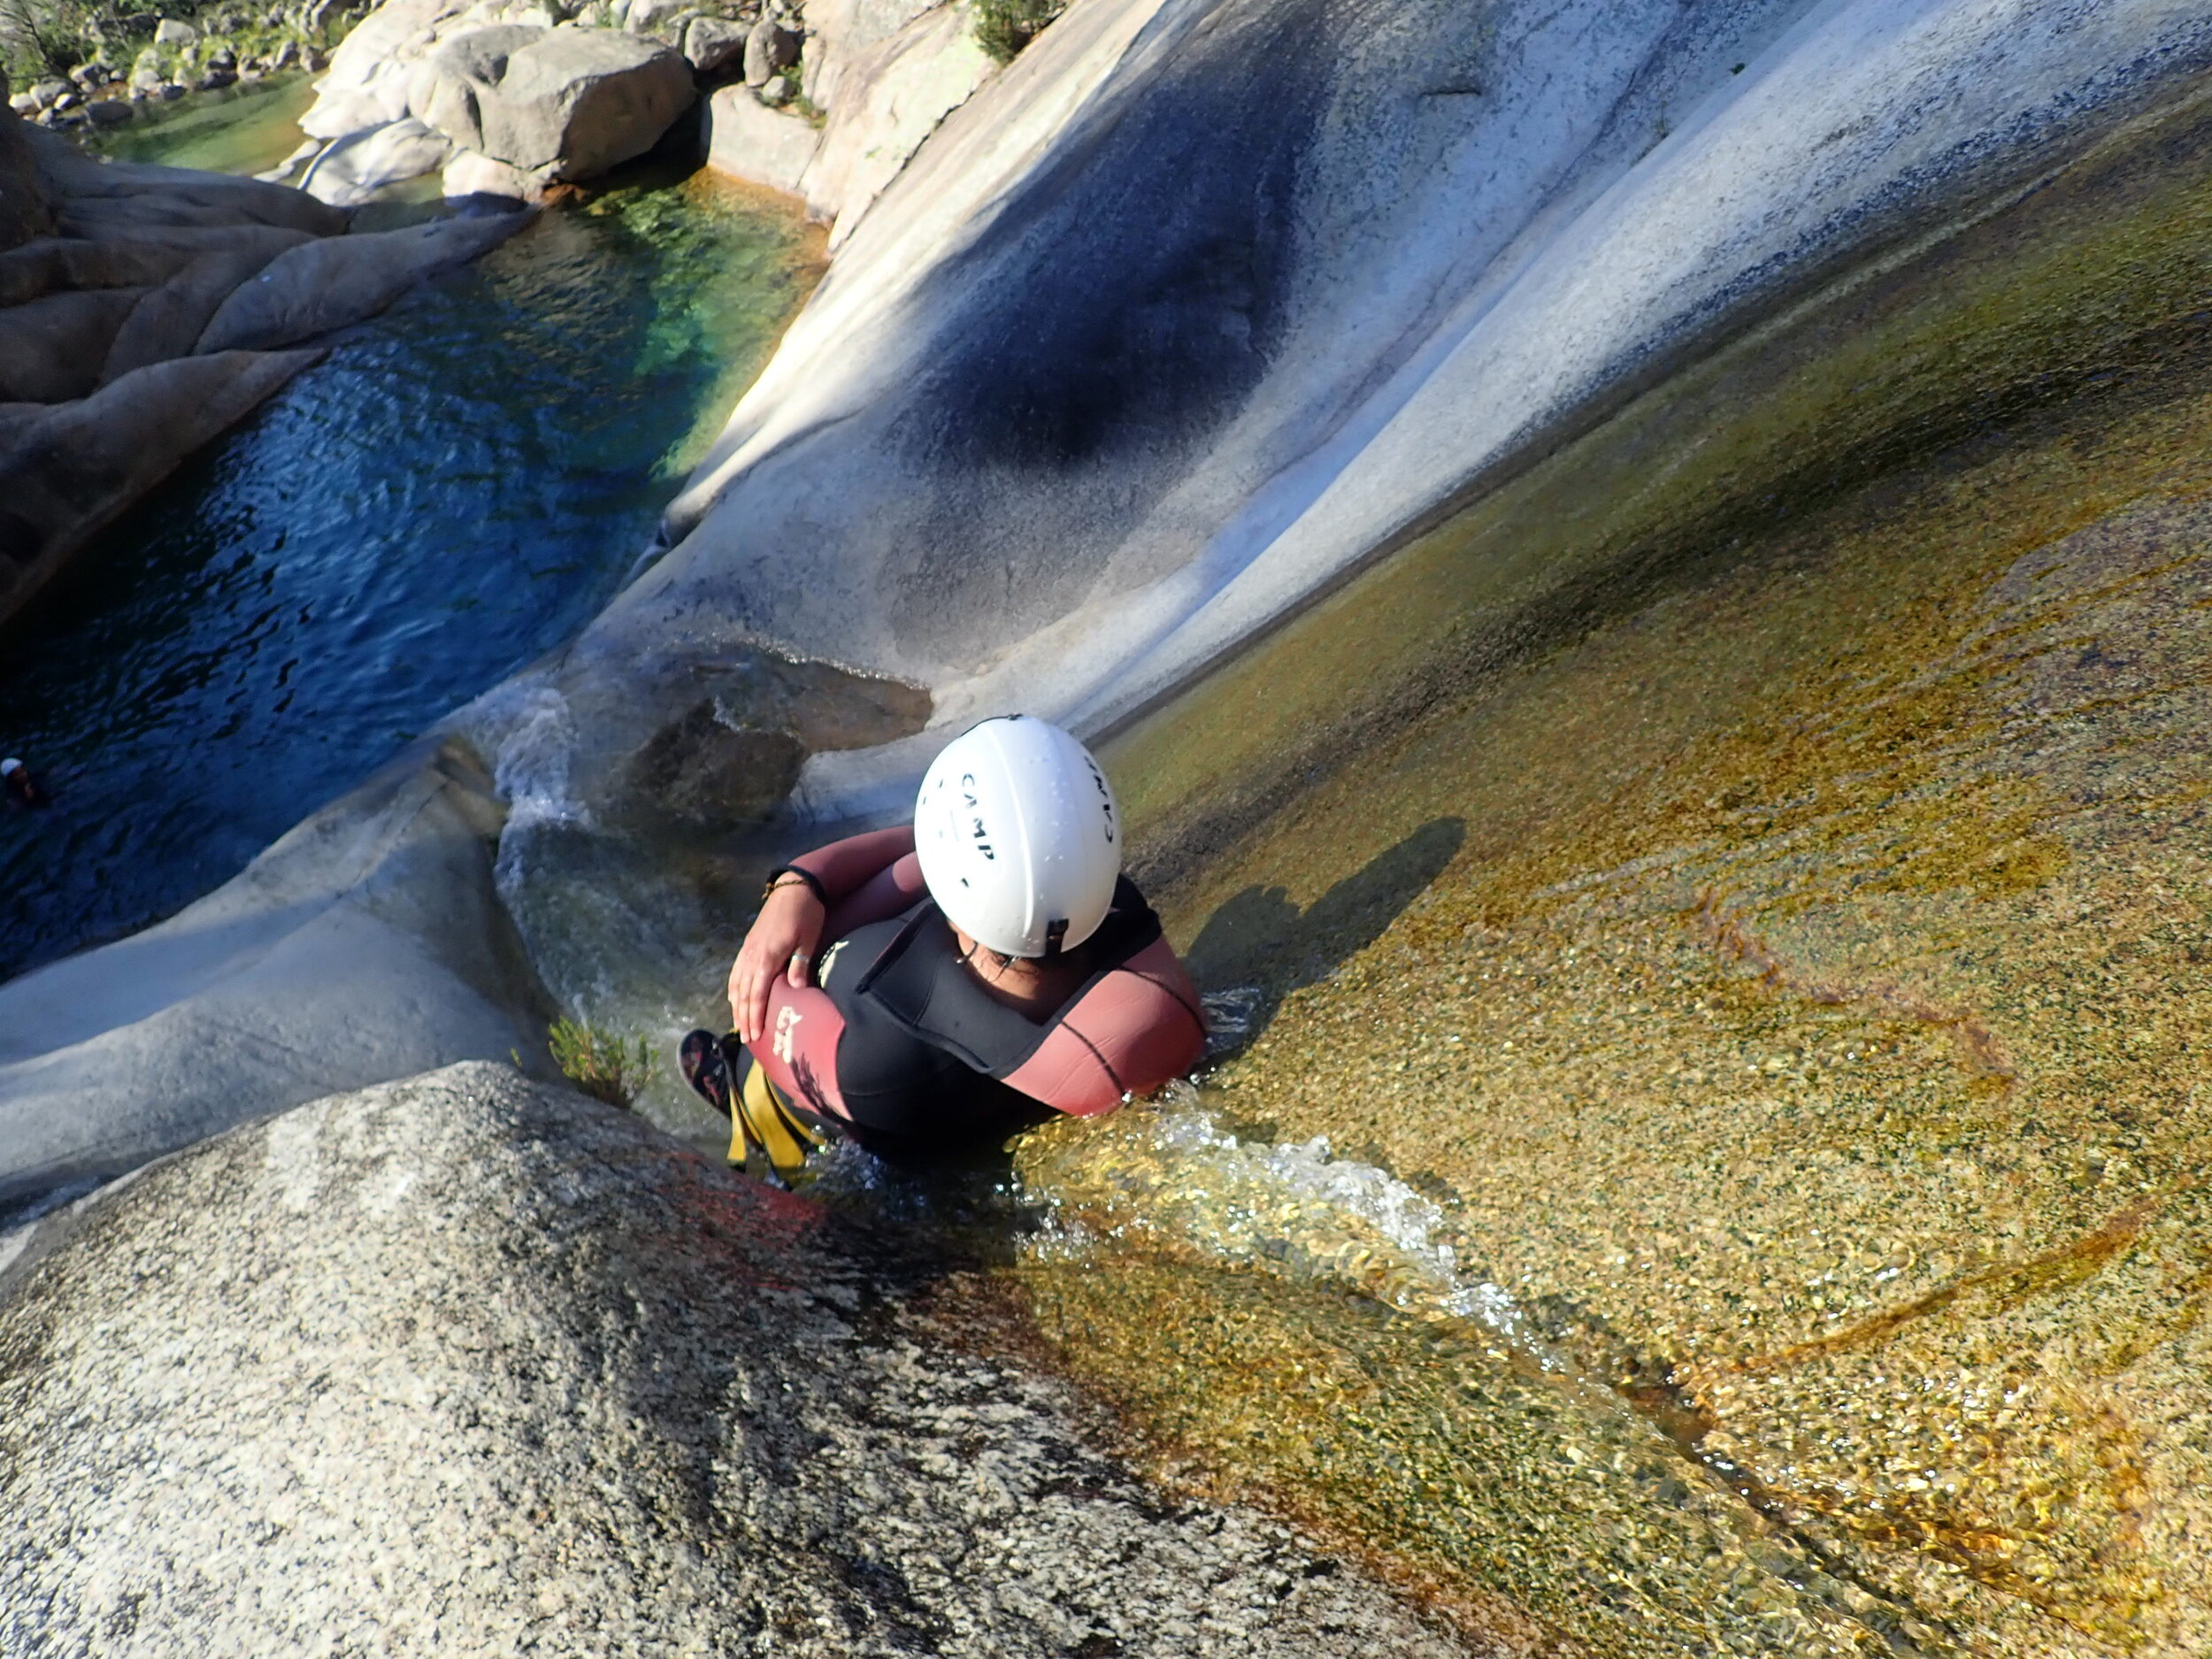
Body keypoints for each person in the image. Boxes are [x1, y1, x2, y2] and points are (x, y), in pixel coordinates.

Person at [682, 716, 1207, 1181]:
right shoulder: (1108, 908)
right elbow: (933, 851)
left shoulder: (883, 1052)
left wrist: (797, 886)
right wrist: (803, 882)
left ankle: (739, 1098)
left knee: (754, 1038)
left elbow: (764, 1004)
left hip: (837, 1096)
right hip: (934, 1071)